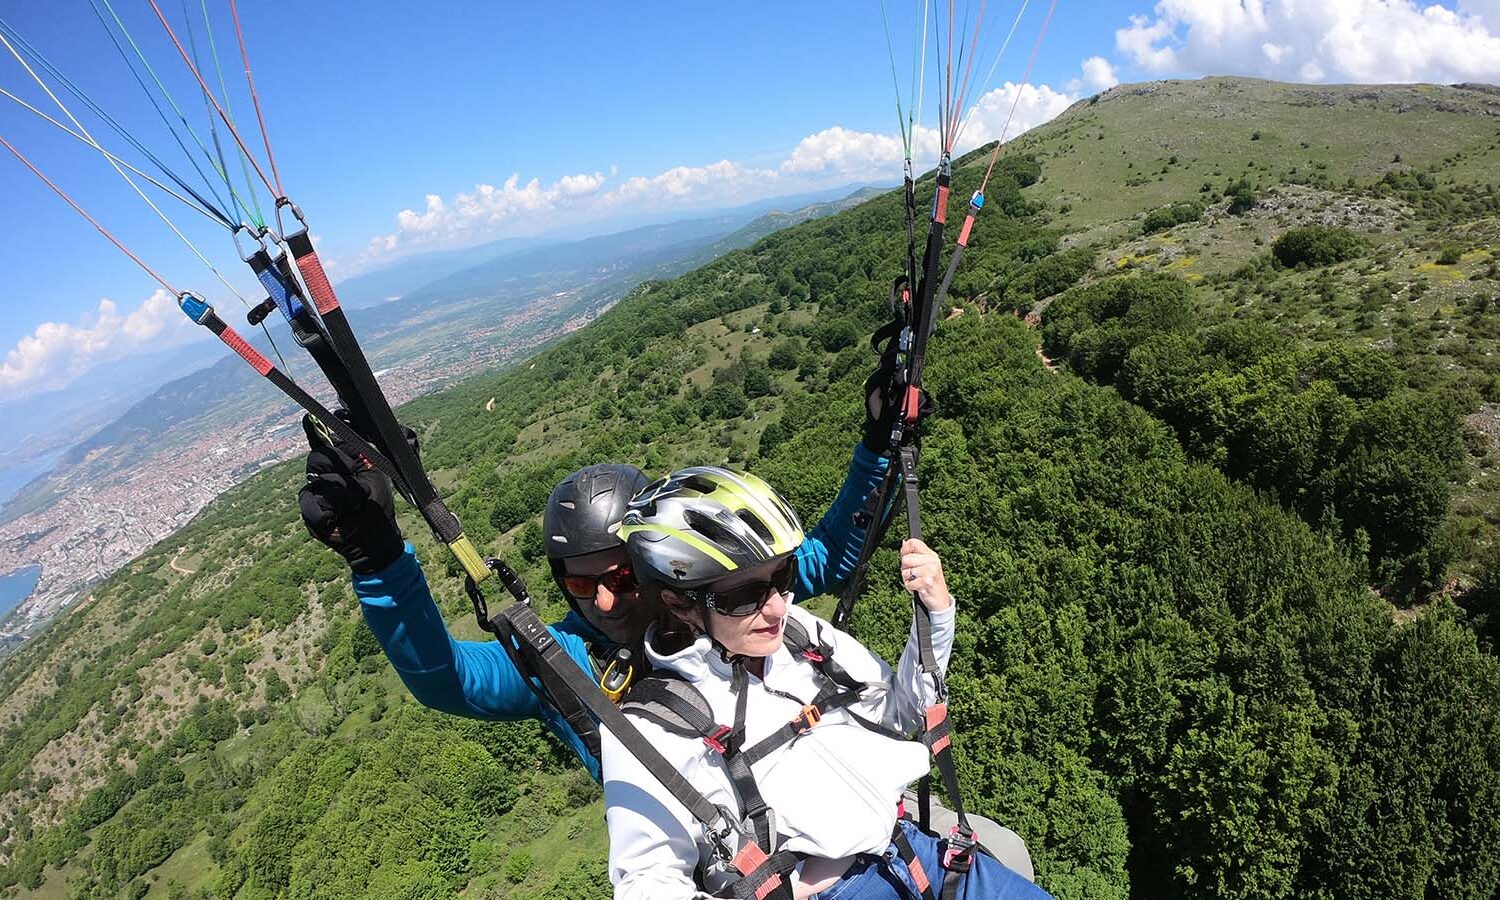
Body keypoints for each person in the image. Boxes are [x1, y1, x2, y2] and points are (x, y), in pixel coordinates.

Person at [296, 385, 894, 780]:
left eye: (622, 575)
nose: (605, 600)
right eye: (582, 587)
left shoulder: (717, 603)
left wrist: (880, 440)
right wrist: (376, 561)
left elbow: (828, 556)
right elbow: (447, 680)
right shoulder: (564, 662)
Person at [604, 466, 1051, 900]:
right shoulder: (651, 727)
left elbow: (901, 713)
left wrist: (935, 617)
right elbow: (647, 884)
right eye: (744, 596)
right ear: (679, 604)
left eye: (781, 577)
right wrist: (789, 892)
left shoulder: (798, 635)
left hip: (915, 850)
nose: (778, 607)